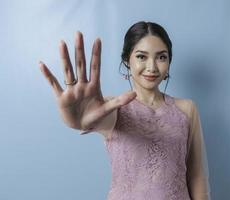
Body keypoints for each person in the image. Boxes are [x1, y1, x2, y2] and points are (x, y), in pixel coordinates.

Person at [39, 21, 211, 200]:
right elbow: (96, 117)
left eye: (161, 57)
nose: (152, 67)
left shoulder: (187, 109)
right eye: (141, 57)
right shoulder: (113, 108)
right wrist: (78, 119)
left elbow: (196, 175)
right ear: (127, 60)